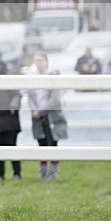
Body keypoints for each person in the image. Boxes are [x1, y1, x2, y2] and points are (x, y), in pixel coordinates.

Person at [29, 50, 68, 181]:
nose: (38, 64)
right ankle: (43, 172)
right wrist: (35, 110)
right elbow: (31, 97)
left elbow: (55, 99)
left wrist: (41, 111)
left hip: (51, 116)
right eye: (36, 61)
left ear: (46, 62)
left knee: (53, 145)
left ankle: (53, 172)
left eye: (41, 61)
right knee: (41, 144)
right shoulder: (32, 77)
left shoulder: (53, 76)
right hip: (37, 116)